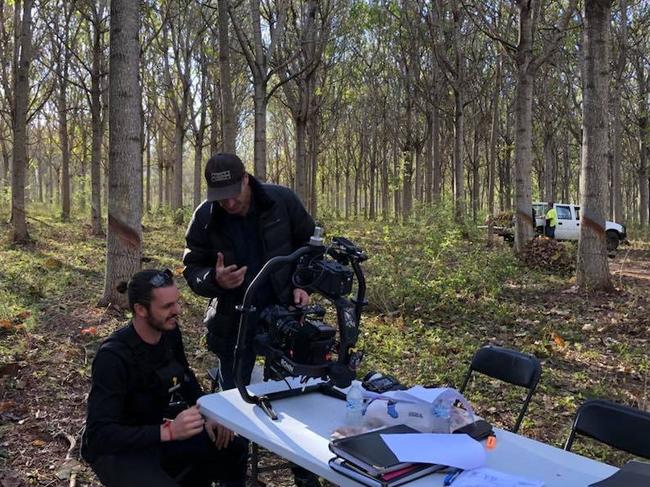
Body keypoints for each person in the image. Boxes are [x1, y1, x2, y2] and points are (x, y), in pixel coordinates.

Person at [183, 153, 320, 487]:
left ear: (246, 179)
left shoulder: (281, 200)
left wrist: (303, 284)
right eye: (220, 197)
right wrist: (215, 281)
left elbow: (312, 245)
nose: (229, 202)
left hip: (284, 318)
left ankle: (305, 475)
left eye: (234, 192)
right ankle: (233, 478)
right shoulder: (205, 216)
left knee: (296, 400)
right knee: (234, 406)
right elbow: (192, 267)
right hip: (234, 322)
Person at [81, 269, 247, 487]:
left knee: (233, 447)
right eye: (167, 306)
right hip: (116, 451)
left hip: (157, 432)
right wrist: (168, 431)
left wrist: (210, 410)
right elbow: (99, 435)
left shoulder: (169, 333)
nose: (177, 310)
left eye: (176, 302)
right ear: (140, 309)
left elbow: (184, 374)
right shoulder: (113, 358)